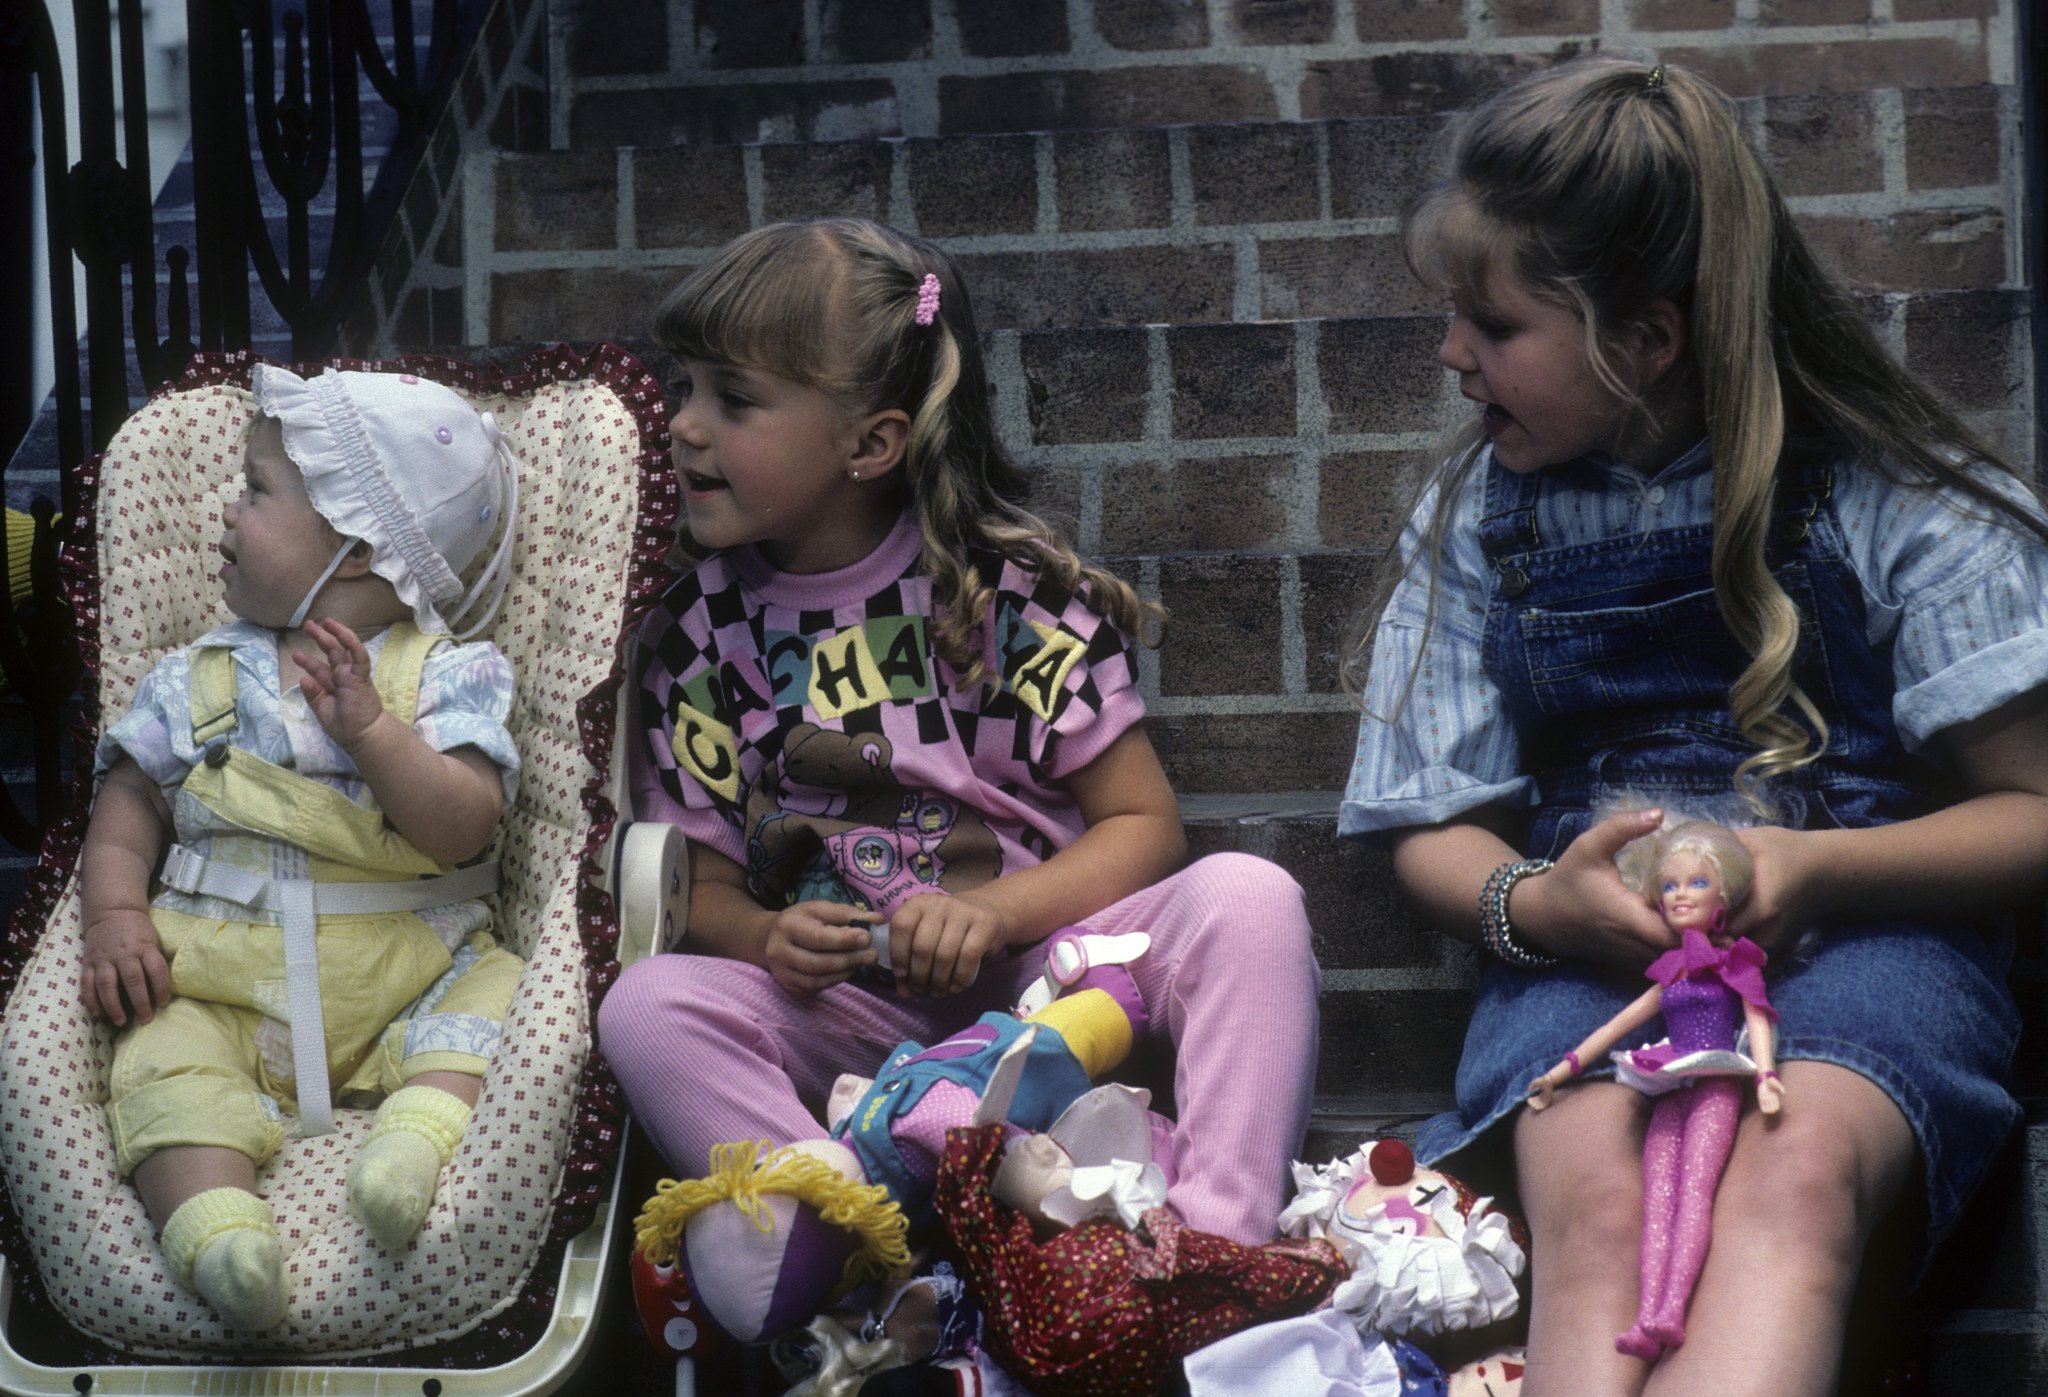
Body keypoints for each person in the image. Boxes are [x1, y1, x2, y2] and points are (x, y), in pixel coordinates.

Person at [1337, 55, 2048, 1396]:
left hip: (1875, 935)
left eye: (1491, 324)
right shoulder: (1483, 519)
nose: (1451, 354)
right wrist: (1537, 906)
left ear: (1647, 340)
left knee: (1794, 1172)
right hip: (1588, 957)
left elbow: (2036, 810)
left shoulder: (1893, 494)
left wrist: (1814, 868)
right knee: (1596, 1194)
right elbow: (1428, 829)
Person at [599, 216, 1320, 1340]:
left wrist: (991, 913)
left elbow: (1142, 825)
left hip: (1043, 997)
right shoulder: (701, 635)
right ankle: (851, 1215)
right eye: (681, 387)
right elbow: (702, 892)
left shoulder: (996, 595)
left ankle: (1208, 1246)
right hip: (844, 1027)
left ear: (871, 441)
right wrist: (765, 941)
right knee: (645, 1000)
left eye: (732, 400)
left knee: (1249, 898)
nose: (682, 426)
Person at [79, 366, 526, 1330]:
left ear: (358, 550)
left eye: (255, 491)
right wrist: (116, 914)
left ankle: (411, 1142)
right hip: (221, 982)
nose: (227, 513)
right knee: (160, 1061)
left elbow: (465, 826)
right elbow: (128, 800)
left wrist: (374, 733)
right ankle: (220, 1231)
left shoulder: (447, 675)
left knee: (499, 999)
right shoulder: (193, 671)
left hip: (406, 971)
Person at [1525, 819, 1782, 1359]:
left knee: (1695, 1194)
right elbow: (1616, 1027)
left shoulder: (1731, 964)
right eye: (1668, 886)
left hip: (1716, 1079)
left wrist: (1766, 1076)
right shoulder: (1672, 972)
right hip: (1669, 1078)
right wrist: (1560, 1071)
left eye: (1695, 882)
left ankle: (1672, 1309)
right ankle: (1646, 1320)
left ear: (1725, 895)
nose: (1679, 895)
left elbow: (1758, 1017)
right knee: (1657, 1197)